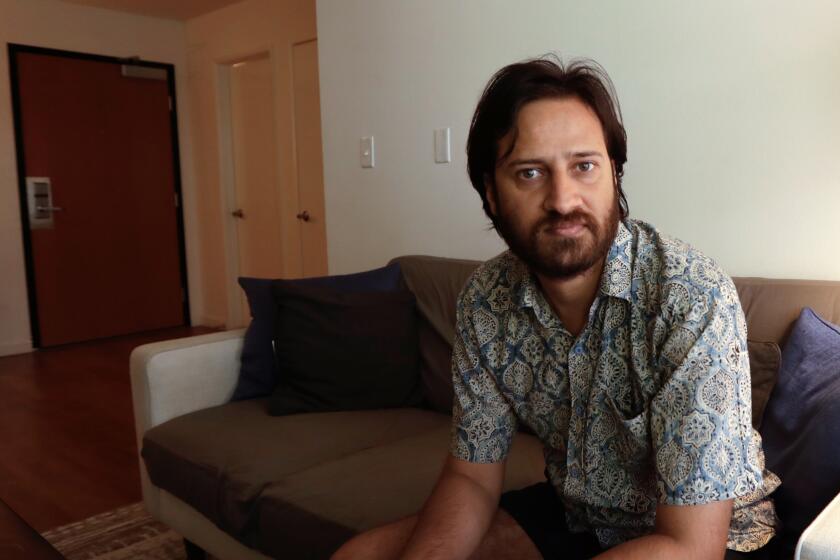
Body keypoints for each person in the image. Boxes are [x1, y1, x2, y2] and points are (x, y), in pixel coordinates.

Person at [332, 56, 779, 560]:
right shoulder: (486, 300)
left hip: (712, 535)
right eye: (529, 173)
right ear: (491, 193)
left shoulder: (689, 296)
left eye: (584, 166)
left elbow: (692, 545)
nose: (563, 199)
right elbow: (472, 477)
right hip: (577, 516)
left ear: (614, 173)